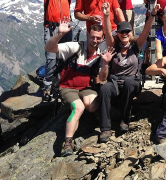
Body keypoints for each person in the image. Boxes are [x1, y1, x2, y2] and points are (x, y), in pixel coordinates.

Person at [45, 19, 114, 156]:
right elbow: (50, 48)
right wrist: (59, 34)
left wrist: (105, 64)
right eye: (93, 36)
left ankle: (75, 109)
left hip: (85, 87)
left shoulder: (100, 53)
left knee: (92, 105)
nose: (94, 40)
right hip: (67, 87)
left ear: (102, 39)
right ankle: (68, 143)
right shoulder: (75, 47)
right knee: (79, 107)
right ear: (87, 34)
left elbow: (103, 78)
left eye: (98, 38)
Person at [98, 1, 161, 142]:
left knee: (128, 82)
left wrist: (153, 15)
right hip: (115, 81)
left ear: (131, 33)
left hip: (132, 81)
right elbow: (108, 32)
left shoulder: (136, 45)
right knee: (104, 90)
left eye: (127, 31)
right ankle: (105, 129)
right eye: (121, 32)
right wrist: (107, 15)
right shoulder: (113, 46)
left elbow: (146, 30)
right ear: (118, 34)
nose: (124, 34)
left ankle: (124, 120)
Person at [34, 0, 85, 100]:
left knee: (66, 56)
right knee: (51, 58)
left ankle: (61, 82)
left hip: (66, 29)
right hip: (51, 29)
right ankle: (47, 87)